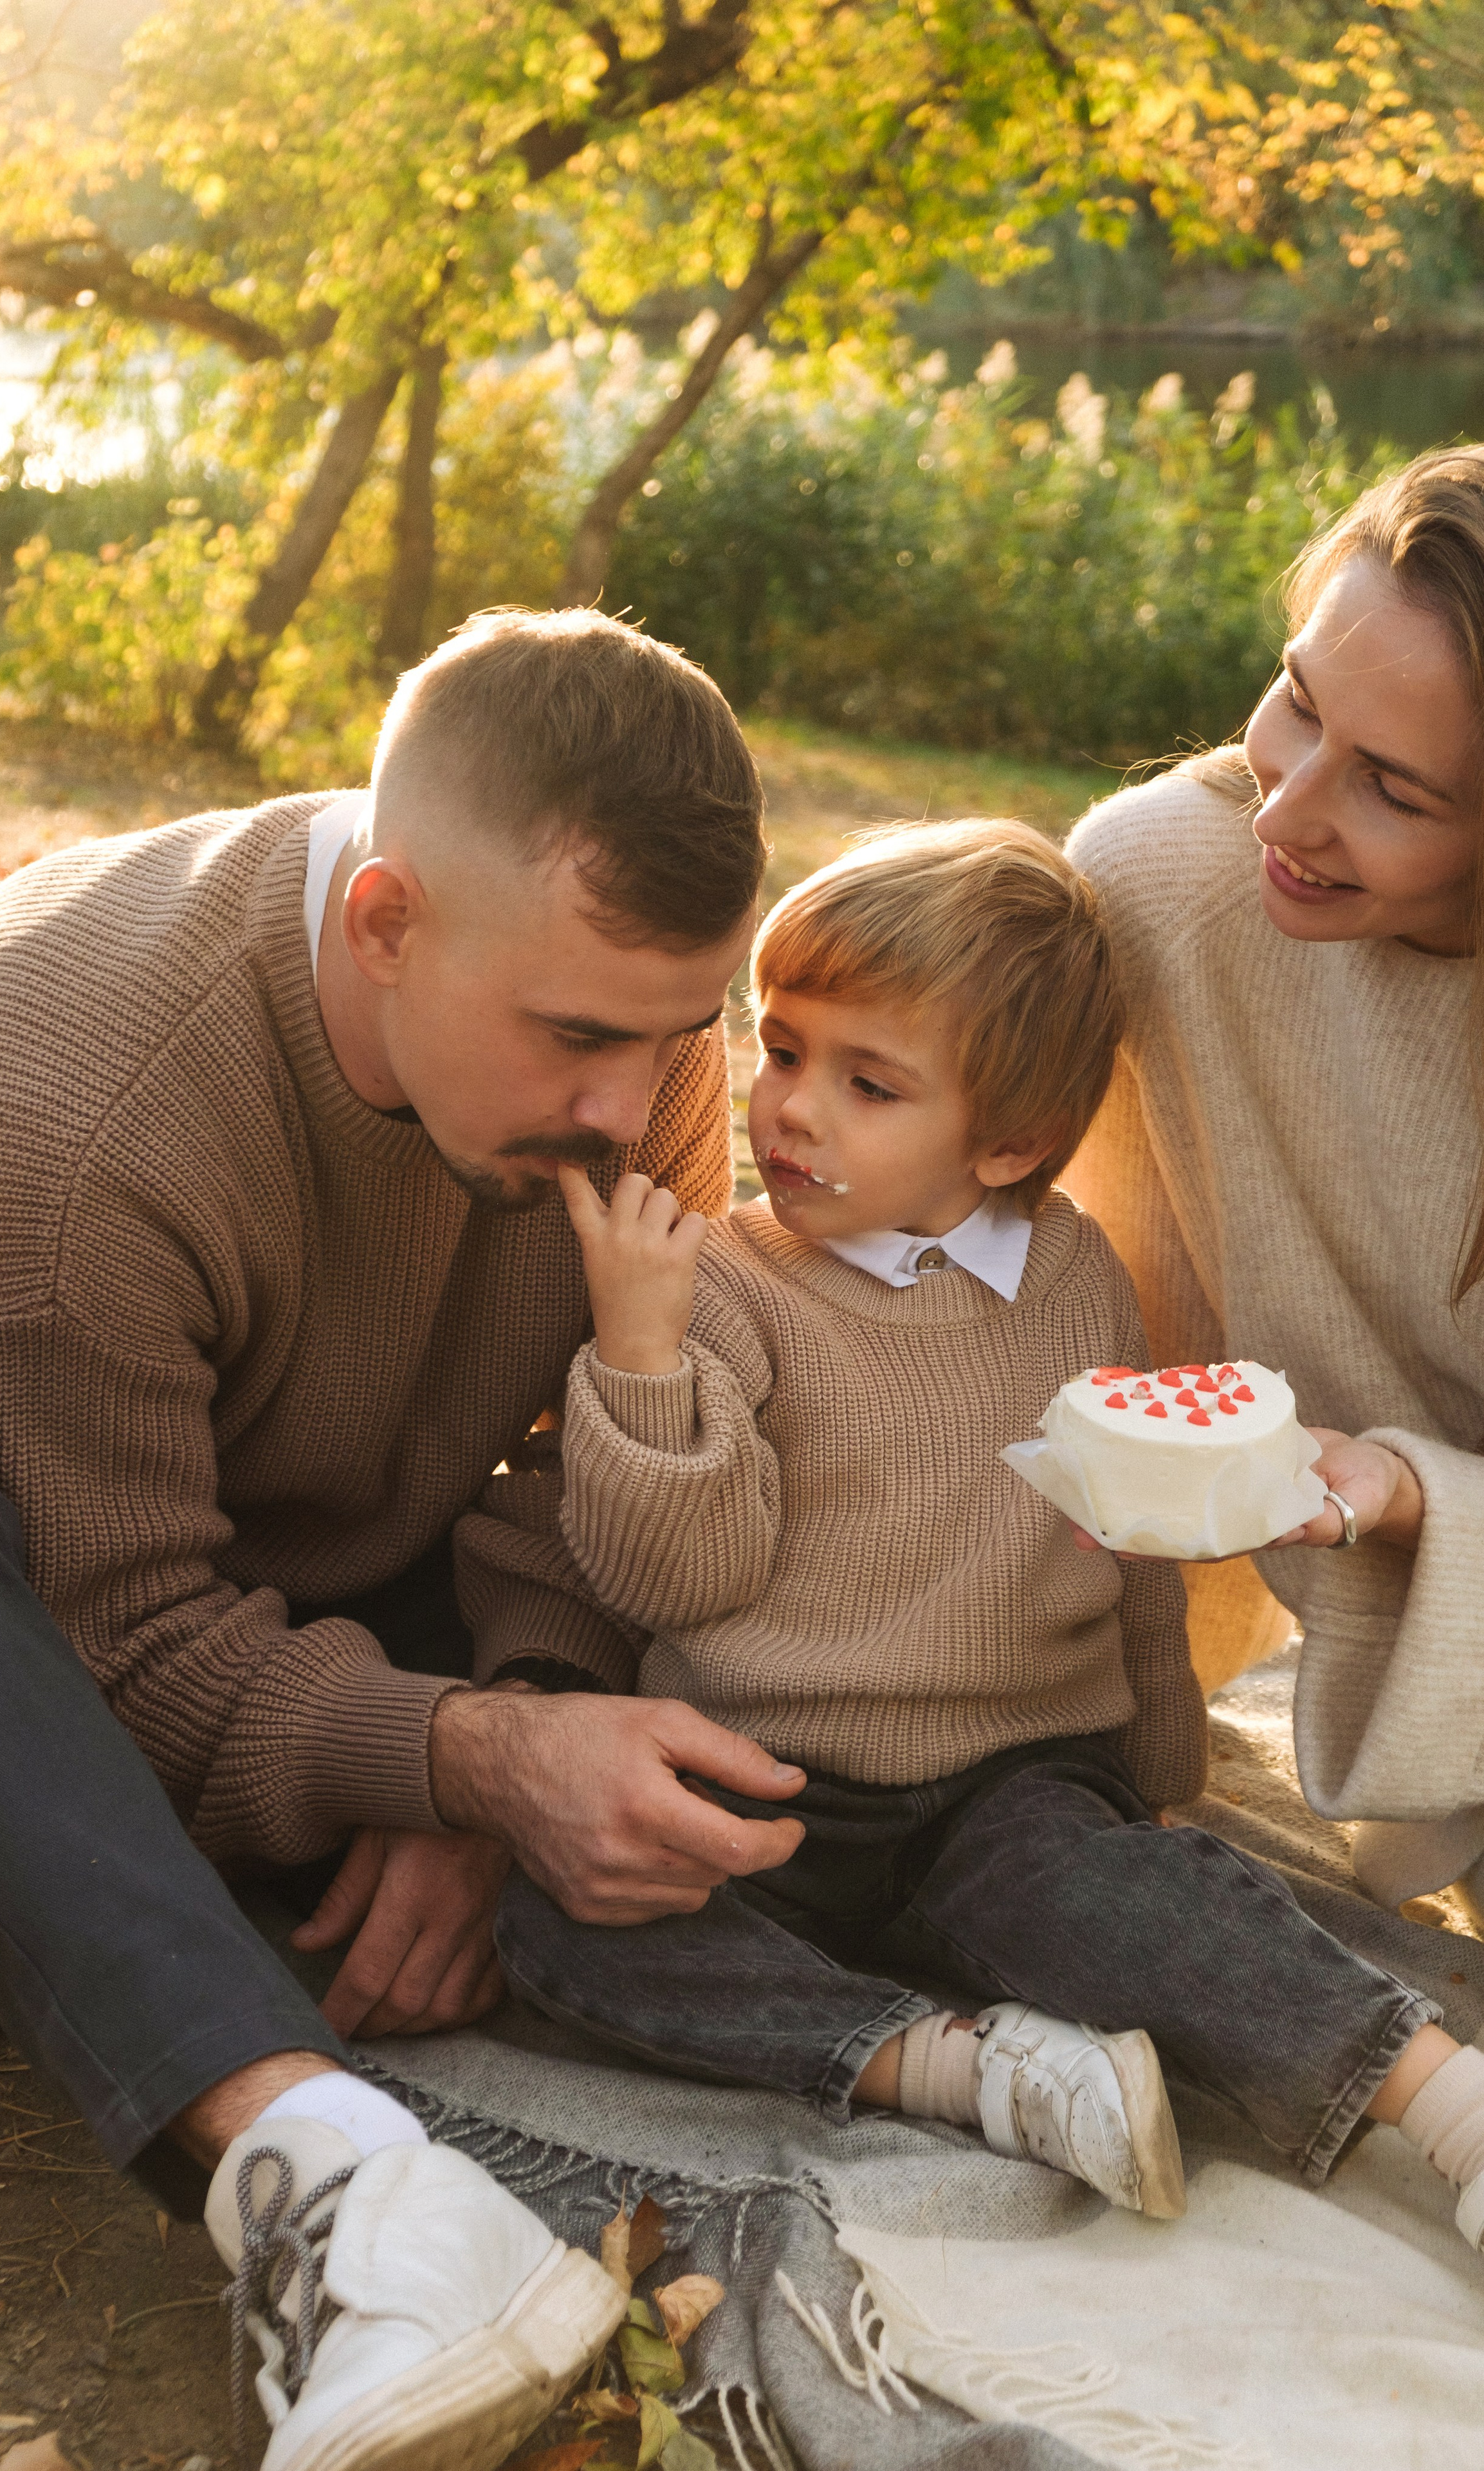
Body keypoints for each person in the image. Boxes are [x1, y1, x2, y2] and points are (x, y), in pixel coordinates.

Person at [0, 608, 814, 2471]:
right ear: (384, 924)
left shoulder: (623, 1039)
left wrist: (504, 1711)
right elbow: (124, 1638)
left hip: (328, 1535)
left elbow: (590, 1439)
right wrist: (470, 1761)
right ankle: (346, 2201)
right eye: (583, 1039)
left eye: (682, 1034)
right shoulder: (64, 1092)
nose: (644, 1107)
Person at [494, 820, 1484, 2255]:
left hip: (1013, 1780)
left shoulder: (1080, 1277)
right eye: (780, 1052)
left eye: (866, 1081)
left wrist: (1156, 1770)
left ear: (1008, 1140)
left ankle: (1446, 2104)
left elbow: (1125, 1539)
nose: (792, 1112)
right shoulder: (725, 1282)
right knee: (557, 1917)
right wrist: (640, 1358)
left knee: (1148, 1904)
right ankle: (973, 2070)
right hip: (769, 1779)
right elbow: (673, 1581)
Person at [1059, 446, 1484, 1924]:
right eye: (1297, 700)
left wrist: (1410, 1493)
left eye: (1388, 787)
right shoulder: (1157, 891)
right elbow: (1094, 1317)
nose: (1281, 814)